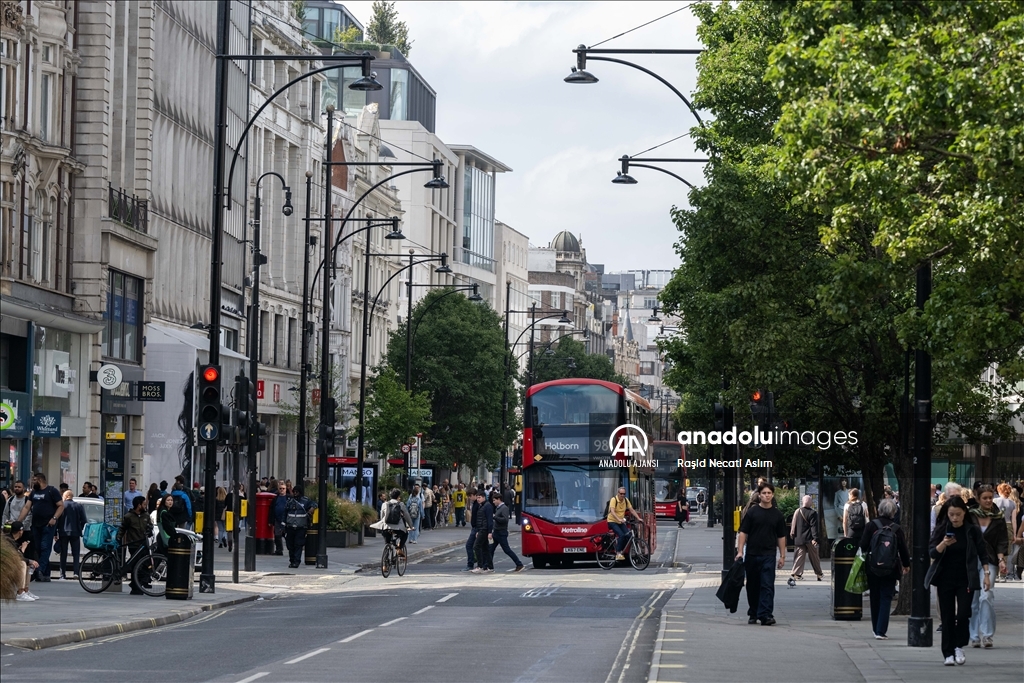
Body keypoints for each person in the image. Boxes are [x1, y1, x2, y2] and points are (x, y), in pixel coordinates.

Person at [926, 496, 991, 666]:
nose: (955, 518)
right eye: (951, 514)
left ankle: (959, 645)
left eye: (958, 514)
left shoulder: (972, 530)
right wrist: (944, 544)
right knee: (947, 617)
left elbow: (983, 553)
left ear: (964, 513)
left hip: (966, 579)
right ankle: (948, 652)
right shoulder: (942, 529)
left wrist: (986, 574)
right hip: (945, 579)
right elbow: (932, 552)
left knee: (963, 614)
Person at [735, 482, 787, 626]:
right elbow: (743, 532)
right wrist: (740, 552)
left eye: (769, 493)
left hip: (769, 555)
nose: (766, 495)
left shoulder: (777, 515)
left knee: (767, 585)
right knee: (752, 585)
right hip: (752, 554)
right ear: (759, 495)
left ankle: (765, 614)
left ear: (773, 495)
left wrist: (782, 556)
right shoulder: (752, 512)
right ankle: (753, 612)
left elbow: (781, 537)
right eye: (764, 493)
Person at [859, 498, 910, 639]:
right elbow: (903, 549)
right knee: (886, 597)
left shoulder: (871, 526)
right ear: (893, 512)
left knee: (875, 597)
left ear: (879, 510)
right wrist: (906, 565)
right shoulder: (896, 528)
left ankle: (875, 629)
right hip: (891, 568)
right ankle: (881, 630)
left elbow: (862, 546)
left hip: (873, 567)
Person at [967, 485, 1008, 648]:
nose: (988, 501)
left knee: (987, 595)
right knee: (974, 599)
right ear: (978, 499)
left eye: (990, 497)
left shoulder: (998, 517)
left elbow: (1002, 540)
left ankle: (988, 635)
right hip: (971, 559)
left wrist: (1001, 559)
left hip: (990, 560)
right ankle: (974, 635)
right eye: (985, 498)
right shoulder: (970, 516)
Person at [27, 472, 63, 581]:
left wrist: (54, 518)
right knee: (38, 548)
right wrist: (18, 520)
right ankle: (46, 575)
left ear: (40, 480)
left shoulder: (52, 491)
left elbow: (61, 506)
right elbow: (26, 507)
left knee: (45, 547)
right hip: (36, 524)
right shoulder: (33, 492)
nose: (33, 483)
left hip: (48, 524)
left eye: (34, 480)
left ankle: (39, 570)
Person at [117, 496, 152, 595]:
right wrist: (119, 537)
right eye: (144, 504)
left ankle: (139, 584)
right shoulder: (129, 516)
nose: (145, 506)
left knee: (143, 565)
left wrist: (150, 530)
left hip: (143, 544)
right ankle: (135, 587)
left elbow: (150, 525)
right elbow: (123, 528)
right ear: (138, 505)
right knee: (135, 565)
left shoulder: (146, 515)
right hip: (133, 544)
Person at [789, 495, 823, 583]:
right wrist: (815, 538)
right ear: (810, 502)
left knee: (799, 556)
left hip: (799, 538)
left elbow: (794, 524)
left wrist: (793, 534)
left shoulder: (798, 511)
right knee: (814, 557)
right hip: (810, 539)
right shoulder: (812, 513)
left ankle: (796, 573)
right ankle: (819, 574)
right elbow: (814, 527)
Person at [3, 521, 40, 601]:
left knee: (29, 565)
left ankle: (25, 591)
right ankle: (20, 592)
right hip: (5, 567)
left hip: (8, 565)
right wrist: (23, 549)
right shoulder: (8, 540)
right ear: (20, 531)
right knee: (23, 563)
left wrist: (30, 561)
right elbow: (16, 558)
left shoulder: (13, 540)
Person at [489, 490, 524, 572]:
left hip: (501, 533)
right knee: (490, 549)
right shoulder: (498, 508)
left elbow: (505, 520)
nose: (493, 502)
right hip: (496, 532)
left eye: (494, 500)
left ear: (499, 499)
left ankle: (519, 564)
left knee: (507, 550)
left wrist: (495, 517)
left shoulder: (504, 508)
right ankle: (489, 566)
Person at [57, 490, 87, 580]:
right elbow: (84, 520)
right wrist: (79, 528)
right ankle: (76, 573)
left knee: (63, 554)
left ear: (65, 496)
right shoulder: (78, 506)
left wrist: (56, 532)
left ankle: (62, 574)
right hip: (75, 532)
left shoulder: (62, 506)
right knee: (76, 554)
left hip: (63, 532)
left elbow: (57, 520)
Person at [283, 485, 316, 568]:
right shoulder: (289, 501)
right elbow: (285, 513)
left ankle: (296, 562)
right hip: (290, 527)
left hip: (301, 527)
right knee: (290, 545)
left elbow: (315, 504)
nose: (295, 493)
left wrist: (312, 508)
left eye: (296, 492)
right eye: (294, 492)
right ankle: (292, 561)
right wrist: (283, 526)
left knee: (298, 545)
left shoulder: (305, 501)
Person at [607, 486, 640, 561]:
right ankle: (618, 553)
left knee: (628, 536)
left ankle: (621, 549)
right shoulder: (614, 499)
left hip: (620, 521)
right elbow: (612, 511)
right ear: (618, 493)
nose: (622, 495)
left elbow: (631, 510)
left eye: (624, 494)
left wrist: (638, 518)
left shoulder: (626, 500)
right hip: (612, 521)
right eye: (621, 494)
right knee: (621, 535)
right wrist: (618, 519)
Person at [379, 489, 413, 555]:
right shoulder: (401, 504)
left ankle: (385, 562)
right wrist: (411, 526)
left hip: (386, 528)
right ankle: (399, 548)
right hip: (398, 529)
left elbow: (382, 517)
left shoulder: (384, 504)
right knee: (405, 534)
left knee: (388, 542)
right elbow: (407, 516)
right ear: (398, 497)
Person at [471, 489, 495, 573]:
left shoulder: (487, 506)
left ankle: (480, 566)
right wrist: (478, 530)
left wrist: (489, 532)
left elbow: (489, 520)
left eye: (479, 497)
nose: (478, 499)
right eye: (477, 498)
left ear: (484, 497)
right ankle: (490, 567)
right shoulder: (481, 506)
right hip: (481, 529)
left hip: (484, 529)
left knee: (476, 546)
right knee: (485, 549)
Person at [463, 489, 483, 572]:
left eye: (470, 496)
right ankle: (478, 563)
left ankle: (471, 564)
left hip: (477, 528)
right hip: (475, 528)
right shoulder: (475, 504)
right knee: (476, 546)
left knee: (470, 545)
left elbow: (479, 517)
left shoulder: (478, 505)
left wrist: (478, 529)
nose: (470, 498)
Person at [272, 482, 288, 555]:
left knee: (287, 535)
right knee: (277, 535)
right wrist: (270, 520)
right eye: (280, 488)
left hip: (287, 520)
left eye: (283, 488)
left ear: (286, 489)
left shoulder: (289, 497)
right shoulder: (275, 498)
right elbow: (271, 509)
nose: (282, 490)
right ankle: (279, 550)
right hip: (277, 519)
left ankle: (290, 548)